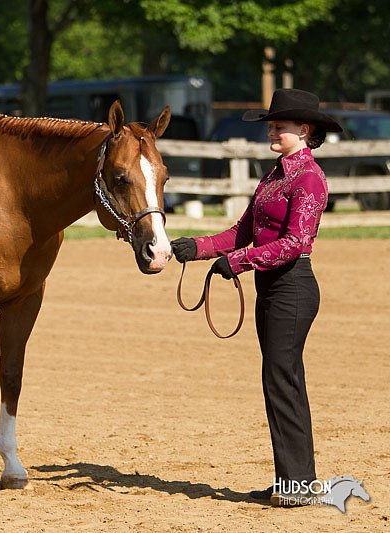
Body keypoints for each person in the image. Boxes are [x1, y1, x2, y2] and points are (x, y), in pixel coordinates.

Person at [171, 89, 342, 507]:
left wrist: (241, 261)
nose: (272, 130)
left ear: (304, 131)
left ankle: (299, 486)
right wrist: (200, 247)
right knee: (280, 382)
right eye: (272, 124)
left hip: (293, 288)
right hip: (273, 288)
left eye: (279, 126)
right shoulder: (274, 176)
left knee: (282, 382)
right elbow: (242, 231)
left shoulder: (308, 178)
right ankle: (292, 482)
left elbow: (296, 241)